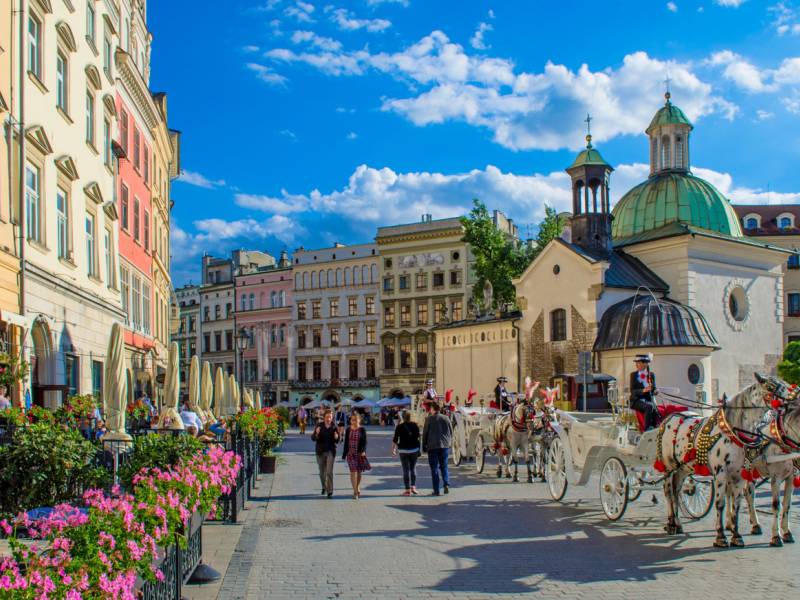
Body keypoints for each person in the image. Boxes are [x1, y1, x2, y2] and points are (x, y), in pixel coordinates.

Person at [422, 402, 452, 496]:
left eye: (430, 408)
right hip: (444, 446)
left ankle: (436, 490)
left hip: (432, 446)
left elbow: (425, 433)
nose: (429, 410)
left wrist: (423, 446)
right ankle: (446, 483)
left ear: (433, 409)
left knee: (434, 468)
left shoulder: (429, 419)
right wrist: (448, 442)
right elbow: (450, 431)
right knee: (444, 466)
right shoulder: (446, 418)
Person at [311, 409, 339, 498]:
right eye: (327, 417)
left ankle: (330, 491)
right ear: (324, 417)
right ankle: (324, 486)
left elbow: (337, 440)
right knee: (322, 473)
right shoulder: (319, 425)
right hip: (320, 452)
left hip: (330, 451)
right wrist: (316, 433)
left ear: (332, 417)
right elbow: (313, 438)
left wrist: (337, 437)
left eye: (330, 417)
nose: (328, 419)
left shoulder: (334, 427)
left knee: (329, 472)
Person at [392, 411, 421, 496]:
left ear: (403, 417)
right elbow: (418, 437)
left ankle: (407, 490)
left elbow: (395, 439)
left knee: (405, 470)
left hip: (403, 450)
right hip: (414, 449)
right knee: (413, 468)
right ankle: (413, 487)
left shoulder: (399, 426)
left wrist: (393, 449)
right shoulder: (415, 425)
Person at [341, 412, 369, 499]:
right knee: (353, 471)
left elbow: (365, 442)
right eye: (352, 420)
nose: (354, 421)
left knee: (359, 472)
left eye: (356, 420)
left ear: (359, 420)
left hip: (359, 453)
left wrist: (363, 451)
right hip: (350, 454)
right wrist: (344, 454)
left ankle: (357, 486)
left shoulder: (362, 429)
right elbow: (346, 442)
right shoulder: (348, 429)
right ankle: (355, 491)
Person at [630, 354, 659, 431]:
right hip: (636, 400)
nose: (636, 365)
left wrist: (655, 391)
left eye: (638, 362)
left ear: (645, 364)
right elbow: (633, 391)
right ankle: (647, 429)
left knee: (655, 408)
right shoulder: (633, 375)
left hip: (647, 400)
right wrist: (643, 390)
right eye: (636, 363)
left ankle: (655, 427)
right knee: (649, 406)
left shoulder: (651, 375)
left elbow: (654, 388)